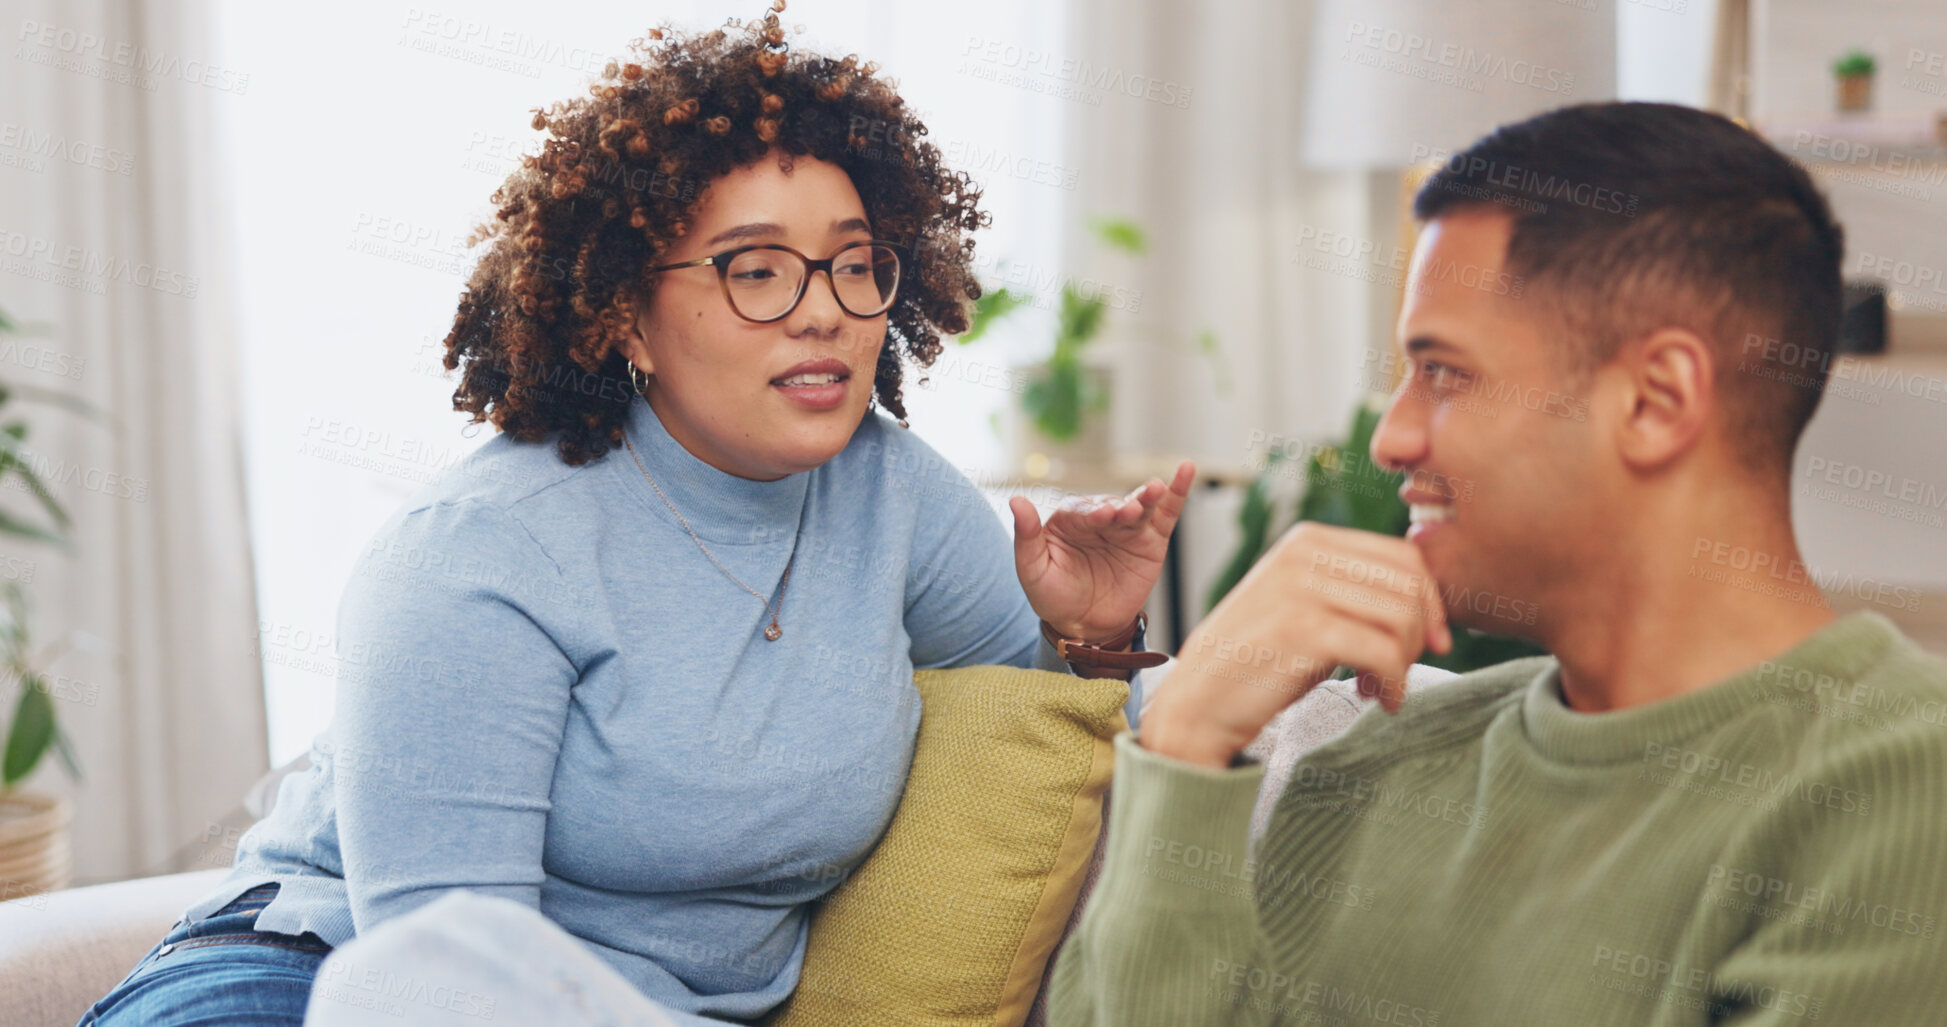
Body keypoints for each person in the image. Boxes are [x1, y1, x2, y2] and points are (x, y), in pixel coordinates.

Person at [76, 8, 1190, 1026]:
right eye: (757, 271)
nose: (826, 315)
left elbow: (1062, 742)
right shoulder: (482, 553)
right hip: (309, 980)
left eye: (855, 265)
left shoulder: (893, 493)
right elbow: (441, 973)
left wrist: (1087, 637)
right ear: (626, 317)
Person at [1048, 101, 1947, 1025]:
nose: (1390, 438)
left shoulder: (1903, 784)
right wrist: (1185, 738)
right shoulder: (1384, 760)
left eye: (1443, 371)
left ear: (1655, 399)